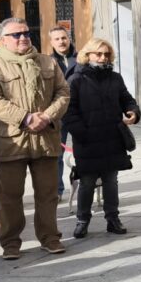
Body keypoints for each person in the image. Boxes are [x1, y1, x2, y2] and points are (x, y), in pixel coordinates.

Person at [0, 17, 70, 260]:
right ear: (1, 41)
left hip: (46, 138)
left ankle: (50, 237)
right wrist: (26, 118)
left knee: (48, 194)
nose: (23, 38)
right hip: (11, 141)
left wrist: (47, 116)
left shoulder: (47, 62)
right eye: (16, 35)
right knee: (10, 197)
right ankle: (10, 243)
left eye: (26, 33)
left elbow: (63, 92)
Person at [63, 38, 139, 238]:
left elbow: (127, 99)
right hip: (87, 141)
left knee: (111, 181)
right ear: (87, 55)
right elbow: (69, 112)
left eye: (106, 54)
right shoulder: (76, 80)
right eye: (98, 54)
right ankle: (82, 220)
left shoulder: (115, 78)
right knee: (87, 182)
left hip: (113, 138)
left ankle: (113, 218)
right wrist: (82, 133)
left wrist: (133, 111)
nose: (103, 57)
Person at [48, 27, 77, 197]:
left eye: (64, 38)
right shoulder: (47, 62)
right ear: (51, 42)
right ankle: (57, 190)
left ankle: (87, 186)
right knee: (56, 154)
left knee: (84, 151)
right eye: (57, 39)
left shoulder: (81, 58)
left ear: (69, 38)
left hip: (78, 112)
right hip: (58, 115)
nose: (61, 41)